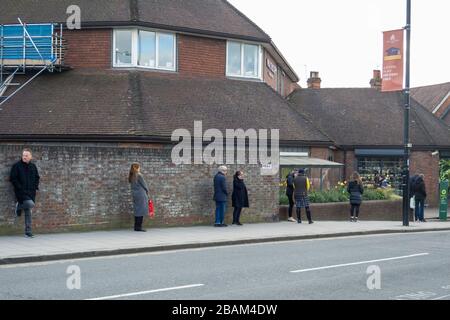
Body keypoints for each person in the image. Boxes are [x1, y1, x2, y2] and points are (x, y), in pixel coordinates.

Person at [10, 148, 40, 238]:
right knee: (30, 204)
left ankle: (28, 231)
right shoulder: (17, 166)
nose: (24, 157)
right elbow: (13, 178)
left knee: (28, 211)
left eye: (26, 155)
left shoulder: (33, 166)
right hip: (21, 192)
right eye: (23, 155)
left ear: (31, 156)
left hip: (31, 192)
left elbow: (37, 177)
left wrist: (35, 186)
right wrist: (19, 187)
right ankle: (19, 206)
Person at [128, 163, 149, 232]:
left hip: (135, 195)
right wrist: (147, 191)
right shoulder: (139, 175)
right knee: (141, 210)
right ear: (137, 167)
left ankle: (136, 226)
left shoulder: (131, 176)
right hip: (141, 194)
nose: (140, 168)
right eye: (139, 167)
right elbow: (144, 185)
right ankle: (139, 227)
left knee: (137, 210)